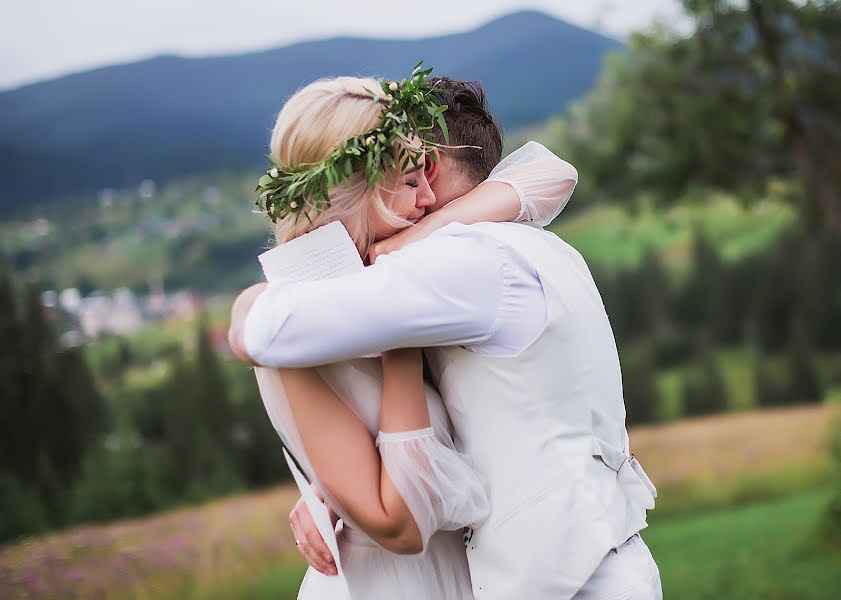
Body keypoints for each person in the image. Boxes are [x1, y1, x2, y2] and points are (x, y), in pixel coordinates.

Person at [232, 71, 580, 599]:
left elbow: (550, 172)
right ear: (361, 187)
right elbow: (400, 523)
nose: (426, 202)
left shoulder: (392, 290)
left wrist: (422, 238)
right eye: (413, 181)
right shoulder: (296, 329)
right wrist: (401, 346)